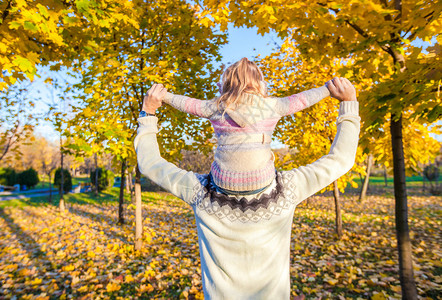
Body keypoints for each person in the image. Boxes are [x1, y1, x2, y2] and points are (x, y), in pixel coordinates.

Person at [134, 77, 360, 299]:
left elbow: (150, 163)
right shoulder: (286, 191)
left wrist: (148, 113)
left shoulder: (200, 193)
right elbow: (341, 159)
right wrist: (348, 105)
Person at [162, 57, 330, 195]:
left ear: (227, 83)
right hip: (261, 181)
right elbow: (303, 99)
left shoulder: (216, 107)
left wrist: (165, 96)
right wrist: (327, 89)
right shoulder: (272, 106)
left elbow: (187, 104)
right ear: (259, 83)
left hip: (223, 182)